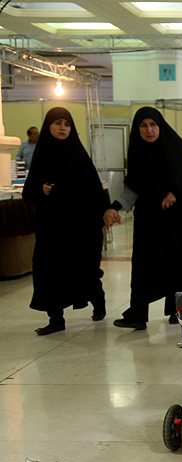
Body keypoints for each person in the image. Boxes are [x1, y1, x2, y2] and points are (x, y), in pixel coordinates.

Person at [104, 107, 182, 330]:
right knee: (144, 266)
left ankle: (177, 309)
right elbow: (134, 187)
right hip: (149, 221)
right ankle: (138, 314)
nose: (149, 130)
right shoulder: (138, 154)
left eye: (153, 125)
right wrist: (114, 207)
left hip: (178, 221)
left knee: (178, 265)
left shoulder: (177, 150)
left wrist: (176, 192)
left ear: (160, 126)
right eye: (143, 126)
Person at [23, 108, 106, 335]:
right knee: (49, 271)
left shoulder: (78, 155)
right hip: (51, 227)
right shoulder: (42, 155)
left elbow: (95, 192)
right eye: (58, 123)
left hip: (80, 227)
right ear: (48, 126)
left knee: (84, 270)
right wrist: (41, 190)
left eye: (67, 124)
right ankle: (55, 319)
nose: (63, 128)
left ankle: (98, 301)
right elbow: (28, 193)